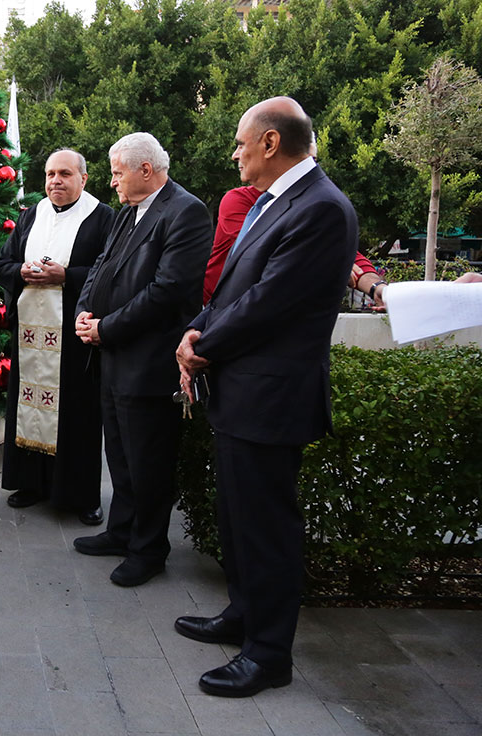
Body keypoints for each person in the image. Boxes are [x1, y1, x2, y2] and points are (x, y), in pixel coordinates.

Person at [175, 97, 358, 697]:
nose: (235, 153)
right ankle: (242, 615)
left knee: (267, 527)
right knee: (237, 516)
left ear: (271, 144)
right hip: (241, 391)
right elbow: (233, 286)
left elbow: (271, 302)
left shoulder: (322, 209)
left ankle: (269, 655)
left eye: (240, 142)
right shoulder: (276, 202)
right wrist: (199, 325)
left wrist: (204, 347)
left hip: (271, 397)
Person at [73, 133, 211, 587]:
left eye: (116, 172)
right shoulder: (127, 212)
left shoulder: (186, 212)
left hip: (149, 362)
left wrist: (105, 328)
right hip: (112, 357)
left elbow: (167, 291)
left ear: (145, 170)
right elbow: (100, 266)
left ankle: (149, 549)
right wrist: (84, 312)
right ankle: (121, 532)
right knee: (121, 454)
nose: (111, 182)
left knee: (149, 461)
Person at [0, 149, 114, 524]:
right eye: (49, 174)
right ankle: (31, 484)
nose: (55, 181)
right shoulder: (31, 215)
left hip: (74, 337)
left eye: (64, 174)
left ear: (84, 178)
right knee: (29, 408)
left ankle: (81, 496)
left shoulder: (103, 217)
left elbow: (108, 272)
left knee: (77, 415)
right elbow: (1, 264)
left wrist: (67, 276)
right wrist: (22, 271)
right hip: (30, 336)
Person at [205, 185, 386, 308]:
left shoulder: (312, 206)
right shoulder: (240, 199)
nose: (236, 155)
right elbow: (262, 251)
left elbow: (347, 254)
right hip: (216, 309)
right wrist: (330, 261)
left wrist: (376, 288)